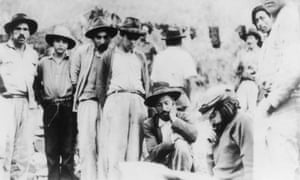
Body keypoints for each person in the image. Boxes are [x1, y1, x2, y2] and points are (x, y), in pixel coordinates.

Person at [98, 17, 149, 180]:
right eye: (129, 37)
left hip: (137, 102)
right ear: (121, 35)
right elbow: (101, 84)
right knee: (115, 149)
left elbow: (146, 83)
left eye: (136, 38)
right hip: (116, 100)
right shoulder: (109, 55)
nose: (133, 42)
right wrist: (107, 106)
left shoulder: (140, 57)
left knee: (135, 149)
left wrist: (145, 104)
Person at [256, 0, 300, 179]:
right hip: (279, 103)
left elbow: (294, 69)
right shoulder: (278, 20)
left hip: (286, 104)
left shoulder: (289, 17)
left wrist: (271, 102)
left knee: (284, 167)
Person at [70, 18, 117, 180]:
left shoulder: (114, 54)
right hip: (87, 102)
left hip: (107, 104)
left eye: (105, 37)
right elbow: (74, 76)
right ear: (93, 38)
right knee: (86, 144)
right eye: (98, 37)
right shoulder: (82, 52)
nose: (102, 40)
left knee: (105, 145)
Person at [35, 26, 77, 180]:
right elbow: (36, 85)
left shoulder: (73, 62)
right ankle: (52, 177)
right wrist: (44, 102)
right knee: (51, 148)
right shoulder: (43, 63)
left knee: (67, 148)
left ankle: (66, 177)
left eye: (64, 42)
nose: (60, 44)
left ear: (68, 45)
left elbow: (76, 84)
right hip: (51, 107)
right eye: (57, 41)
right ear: (52, 43)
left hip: (68, 107)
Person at [0, 13, 39, 180]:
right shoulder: (1, 50)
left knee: (23, 150)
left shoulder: (33, 54)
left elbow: (36, 80)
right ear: (11, 31)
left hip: (27, 103)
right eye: (18, 29)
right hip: (6, 102)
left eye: (26, 29)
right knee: (4, 147)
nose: (22, 32)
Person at [199, 86, 253, 180]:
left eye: (213, 115)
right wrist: (209, 151)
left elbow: (251, 165)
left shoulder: (242, 121)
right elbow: (212, 174)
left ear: (223, 108)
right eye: (209, 118)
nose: (211, 121)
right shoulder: (218, 126)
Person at [143, 82, 198, 171]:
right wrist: (171, 142)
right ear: (155, 108)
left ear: (173, 104)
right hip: (162, 165)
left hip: (183, 163)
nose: (164, 108)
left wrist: (174, 120)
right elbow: (153, 153)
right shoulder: (149, 124)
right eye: (159, 105)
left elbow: (194, 136)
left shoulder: (183, 117)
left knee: (181, 145)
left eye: (166, 103)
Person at [151, 27, 198, 110]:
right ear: (180, 41)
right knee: (184, 121)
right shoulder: (185, 56)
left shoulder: (159, 57)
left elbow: (153, 82)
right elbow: (190, 82)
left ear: (166, 42)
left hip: (162, 97)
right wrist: (191, 101)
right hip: (179, 96)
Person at [235, 28, 261, 114]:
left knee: (253, 110)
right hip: (243, 83)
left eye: (251, 38)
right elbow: (236, 69)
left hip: (255, 84)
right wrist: (240, 74)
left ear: (256, 39)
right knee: (240, 110)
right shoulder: (242, 53)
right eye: (247, 39)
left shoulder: (261, 52)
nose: (248, 41)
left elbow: (264, 70)